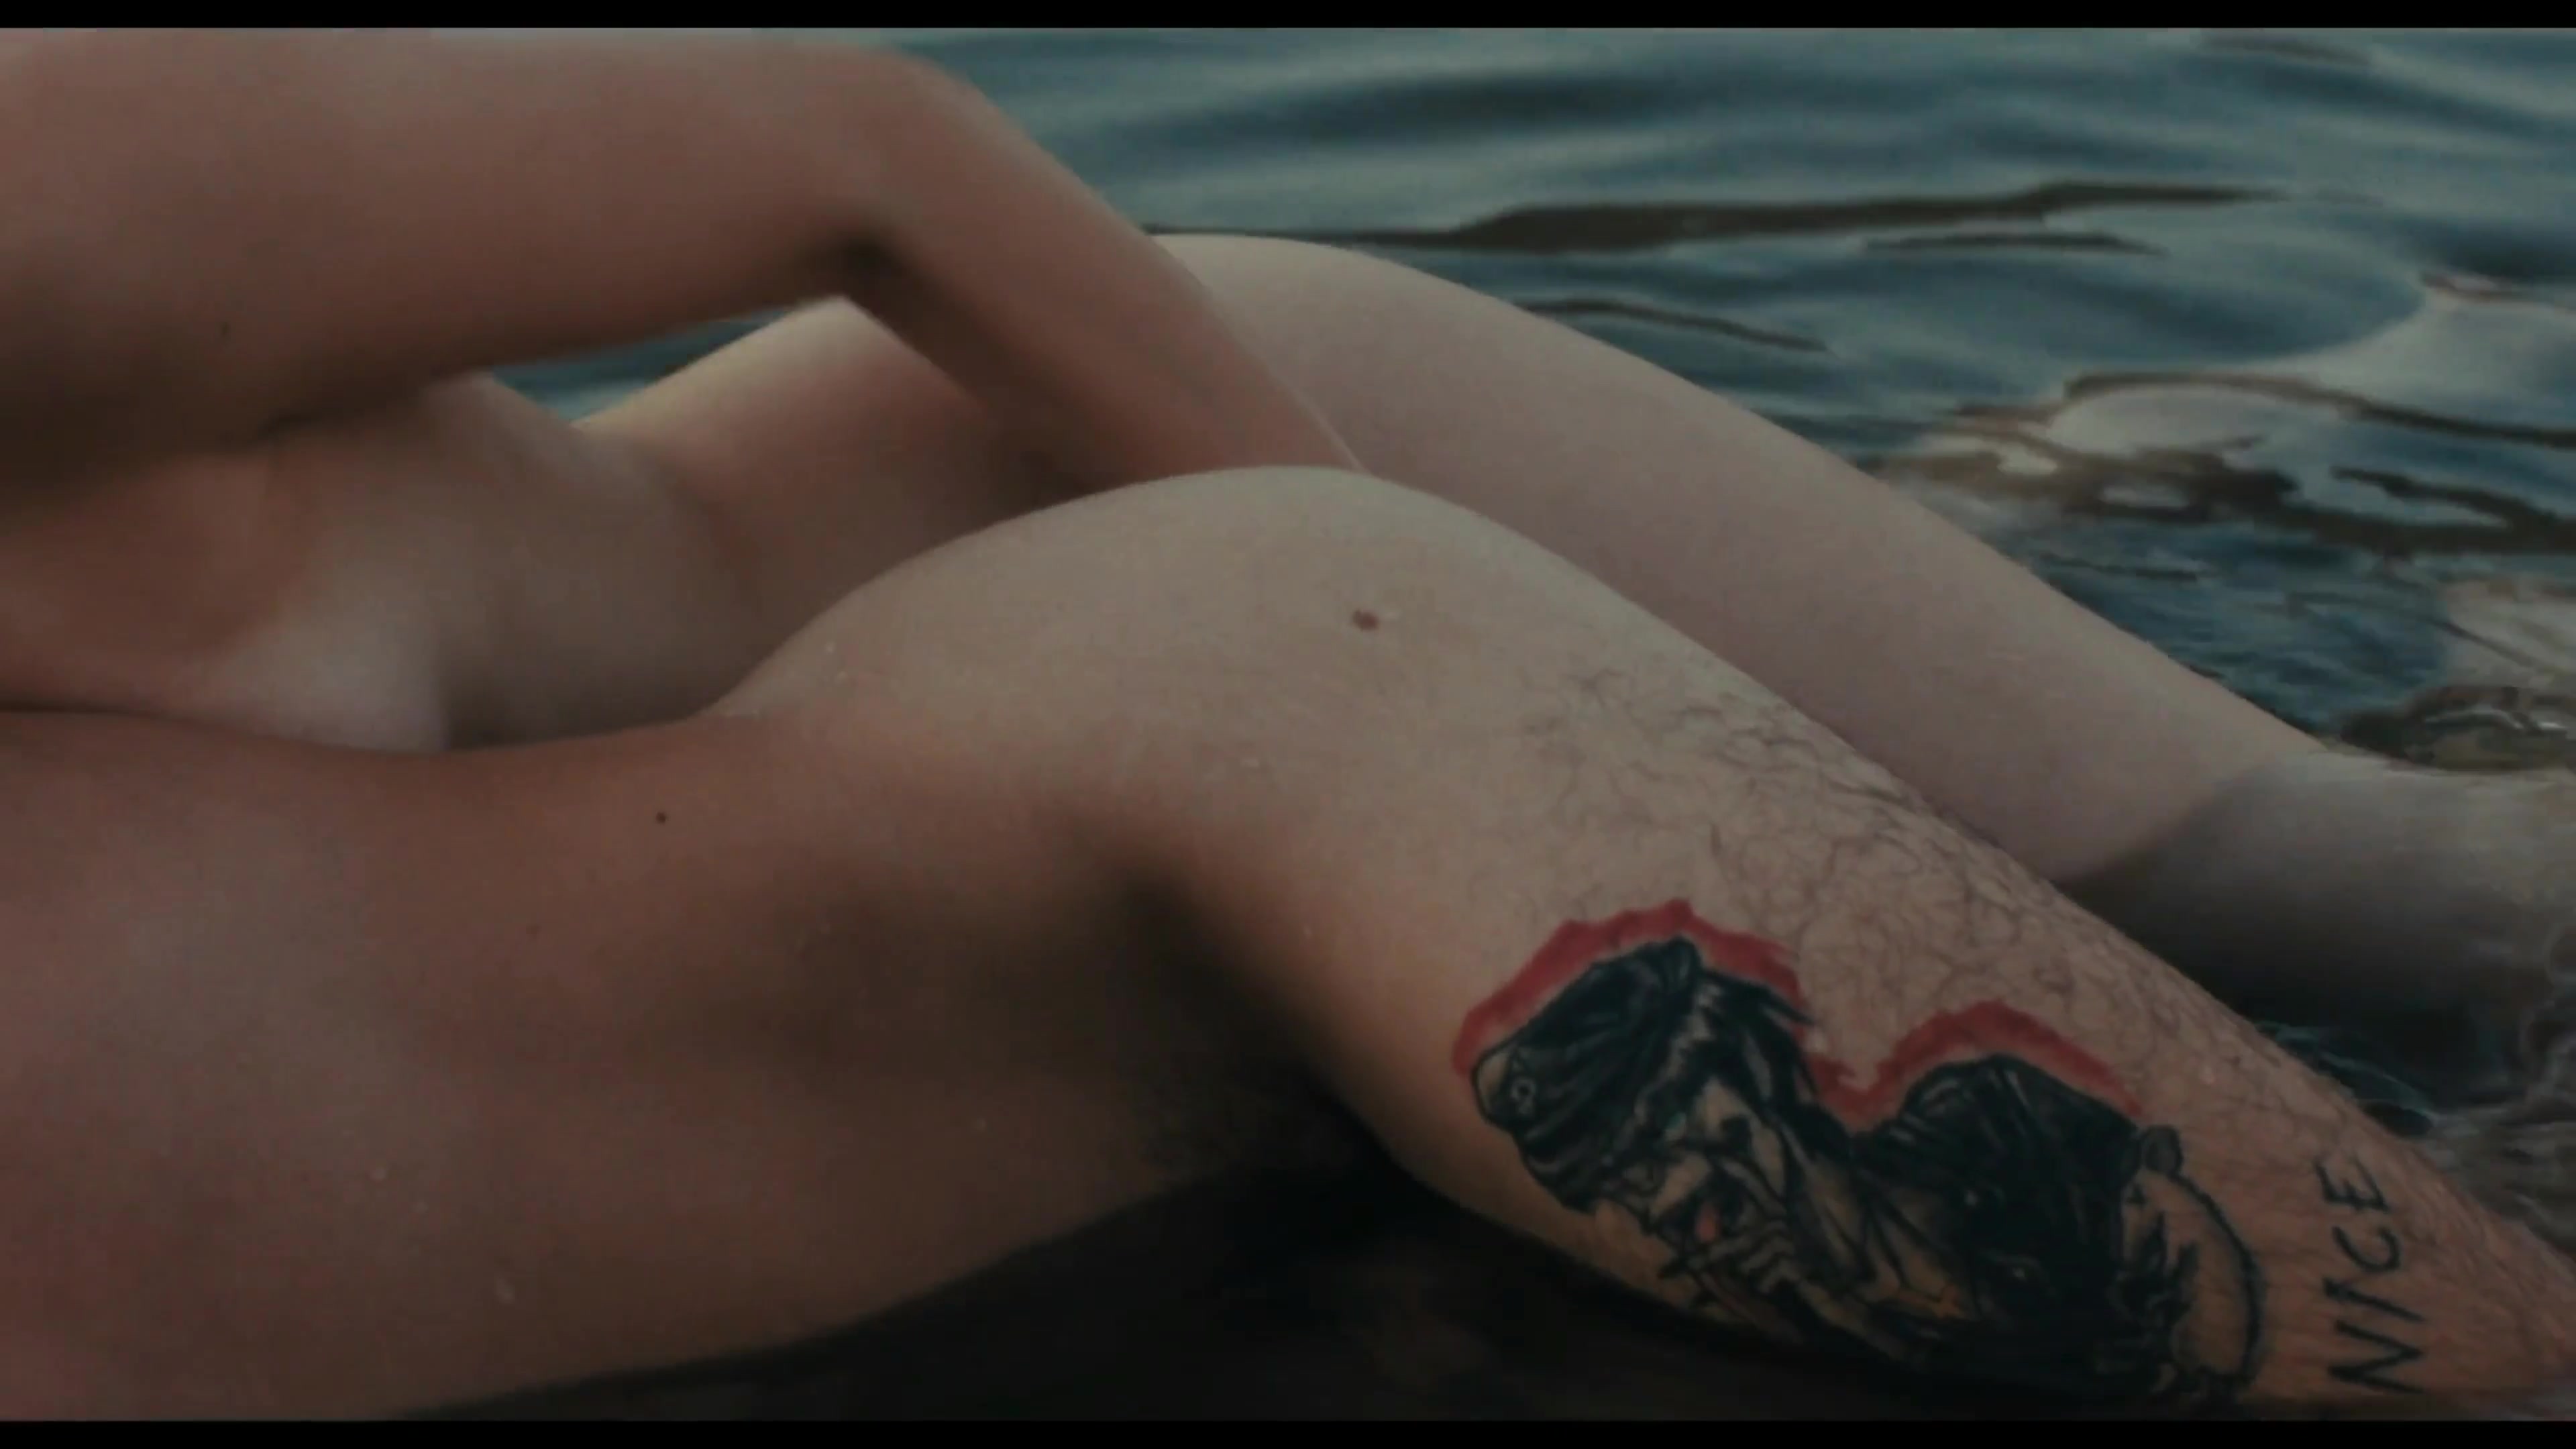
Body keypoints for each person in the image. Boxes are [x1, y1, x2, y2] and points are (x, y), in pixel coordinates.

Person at [0, 30, 2569, 1415]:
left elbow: (853, 141)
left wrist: (1411, 592)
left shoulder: (50, 193)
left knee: (2412, 895)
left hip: (1109, 493)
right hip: (965, 801)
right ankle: (2221, 441)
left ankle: (2396, 452)